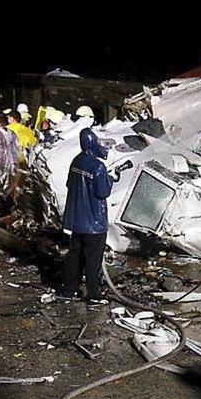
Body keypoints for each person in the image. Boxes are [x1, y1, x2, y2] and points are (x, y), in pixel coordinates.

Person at [59, 126, 121, 303]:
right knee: (93, 260)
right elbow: (102, 192)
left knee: (75, 257)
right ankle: (93, 295)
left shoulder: (76, 161)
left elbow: (70, 184)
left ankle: (69, 290)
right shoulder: (98, 167)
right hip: (94, 223)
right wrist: (110, 179)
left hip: (78, 222)